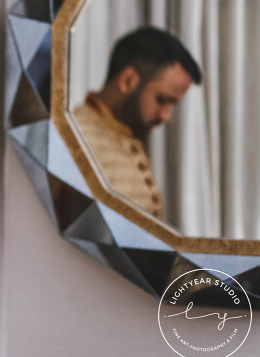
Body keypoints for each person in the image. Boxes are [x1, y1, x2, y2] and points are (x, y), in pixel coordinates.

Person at [73, 27, 202, 218]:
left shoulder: (126, 133)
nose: (166, 116)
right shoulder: (75, 134)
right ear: (128, 80)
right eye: (161, 100)